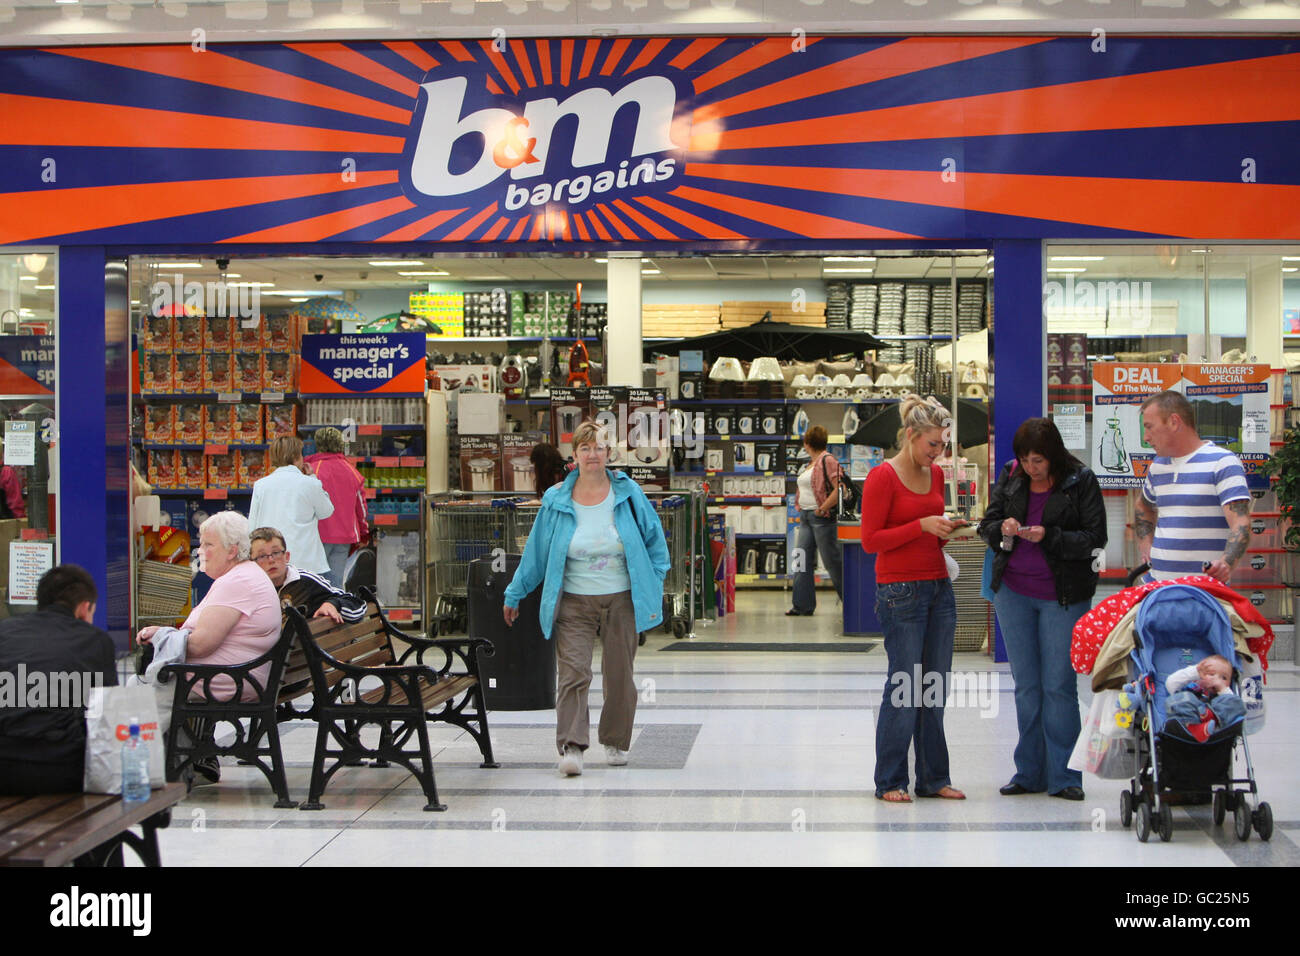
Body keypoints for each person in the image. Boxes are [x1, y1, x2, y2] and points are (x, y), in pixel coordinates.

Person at [502, 421, 670, 777]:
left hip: (621, 598)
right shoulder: (557, 498)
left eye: (599, 448)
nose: (593, 454)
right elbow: (537, 552)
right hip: (574, 601)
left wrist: (653, 580)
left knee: (619, 674)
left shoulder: (628, 493)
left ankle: (615, 739)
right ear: (574, 455)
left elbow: (655, 541)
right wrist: (515, 592)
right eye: (585, 448)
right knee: (573, 673)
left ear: (609, 453)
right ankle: (572, 745)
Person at [979, 417, 1107, 802]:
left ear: (1052, 455)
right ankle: (1029, 772)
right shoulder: (1011, 474)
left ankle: (1065, 776)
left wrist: (1048, 536)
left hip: (1063, 596)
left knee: (1059, 686)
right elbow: (987, 523)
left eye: (1037, 461)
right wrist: (1003, 528)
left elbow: (1094, 539)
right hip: (1013, 592)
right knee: (1027, 686)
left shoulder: (1080, 479)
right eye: (1024, 460)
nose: (1030, 468)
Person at [860, 394, 965, 803]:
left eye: (942, 446)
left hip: (939, 586)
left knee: (934, 686)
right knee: (905, 686)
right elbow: (871, 541)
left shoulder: (936, 476)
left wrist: (945, 528)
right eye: (932, 445)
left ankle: (933, 777)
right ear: (910, 436)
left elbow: (926, 525)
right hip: (900, 591)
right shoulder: (882, 478)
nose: (938, 454)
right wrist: (920, 525)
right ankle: (890, 779)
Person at [0, 564, 116, 793]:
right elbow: (106, 713)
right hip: (64, 770)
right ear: (84, 608)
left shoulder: (4, 632)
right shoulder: (95, 640)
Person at [1134, 391, 1251, 583]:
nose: (1146, 437)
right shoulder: (1158, 466)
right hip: (1158, 587)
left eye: (1149, 427)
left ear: (1174, 421)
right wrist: (1146, 545)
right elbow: (1143, 505)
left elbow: (1241, 523)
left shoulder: (1222, 462)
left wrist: (1226, 563)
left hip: (1204, 592)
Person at [248, 435, 335, 577]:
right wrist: (313, 476)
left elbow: (252, 525)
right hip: (305, 561)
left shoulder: (261, 485)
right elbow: (326, 511)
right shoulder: (310, 484)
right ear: (297, 456)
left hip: (270, 561)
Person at [250, 526, 368, 624]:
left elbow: (357, 604)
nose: (271, 560)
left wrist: (333, 604)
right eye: (262, 556)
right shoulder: (247, 589)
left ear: (287, 557)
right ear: (251, 563)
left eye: (276, 553)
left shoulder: (305, 582)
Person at [786, 425, 845, 616]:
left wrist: (823, 508)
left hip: (821, 518)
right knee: (801, 561)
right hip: (805, 517)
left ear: (807, 443)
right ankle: (802, 605)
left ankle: (852, 602)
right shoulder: (810, 464)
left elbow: (840, 488)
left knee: (832, 563)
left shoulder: (827, 460)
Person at [304, 426, 368, 588]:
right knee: (336, 584)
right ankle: (336, 611)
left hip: (317, 535)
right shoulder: (351, 471)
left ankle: (318, 612)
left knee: (315, 584)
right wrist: (364, 532)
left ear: (317, 444)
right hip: (344, 536)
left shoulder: (311, 470)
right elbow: (360, 506)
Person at [1165, 654, 1246, 741]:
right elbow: (1170, 684)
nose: (1216, 679)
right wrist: (1196, 671)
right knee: (1181, 698)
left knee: (1236, 703)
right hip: (1187, 725)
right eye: (1211, 674)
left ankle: (1210, 715)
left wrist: (1223, 689)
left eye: (1224, 678)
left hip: (1214, 730)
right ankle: (1196, 728)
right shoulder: (1193, 684)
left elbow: (1232, 704)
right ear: (1201, 675)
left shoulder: (1223, 695)